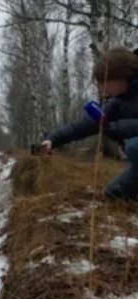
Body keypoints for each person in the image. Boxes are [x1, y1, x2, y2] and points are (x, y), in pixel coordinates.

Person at [41, 47, 138, 200]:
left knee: (133, 147)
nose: (101, 88)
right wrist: (53, 139)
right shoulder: (119, 101)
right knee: (114, 193)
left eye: (103, 82)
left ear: (119, 77)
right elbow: (87, 124)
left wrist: (118, 128)